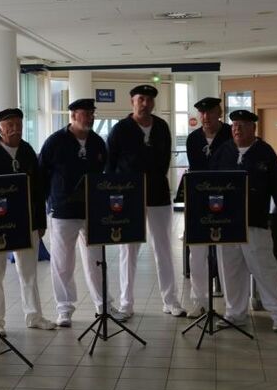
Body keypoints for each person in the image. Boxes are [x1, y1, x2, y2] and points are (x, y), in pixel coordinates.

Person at [210, 109, 277, 332]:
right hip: (226, 223)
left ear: (253, 128)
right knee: (230, 270)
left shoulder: (265, 152)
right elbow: (209, 183)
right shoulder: (224, 151)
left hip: (255, 221)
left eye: (242, 125)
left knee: (264, 268)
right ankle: (234, 313)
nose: (237, 129)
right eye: (234, 125)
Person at [39, 98, 120, 327]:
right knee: (63, 262)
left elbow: (104, 174)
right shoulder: (55, 142)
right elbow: (42, 175)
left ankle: (104, 304)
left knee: (97, 260)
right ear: (73, 115)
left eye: (92, 113)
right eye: (86, 113)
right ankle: (64, 309)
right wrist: (47, 205)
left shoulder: (97, 143)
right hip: (63, 210)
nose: (91, 117)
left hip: (92, 210)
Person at [107, 84, 185, 318]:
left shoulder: (161, 127)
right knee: (128, 250)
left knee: (163, 248)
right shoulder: (120, 129)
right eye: (141, 99)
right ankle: (126, 303)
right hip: (128, 196)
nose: (145, 103)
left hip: (158, 194)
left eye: (149, 99)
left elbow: (164, 160)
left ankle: (170, 300)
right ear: (132, 101)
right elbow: (110, 164)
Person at [0, 108, 55, 333]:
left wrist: (40, 222)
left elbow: (39, 188)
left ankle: (34, 316)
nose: (15, 129)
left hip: (26, 220)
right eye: (10, 125)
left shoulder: (27, 150)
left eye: (19, 124)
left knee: (29, 271)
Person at [184, 97, 232, 317]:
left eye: (210, 112)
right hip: (200, 201)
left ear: (219, 113)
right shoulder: (193, 139)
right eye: (202, 113)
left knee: (227, 254)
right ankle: (199, 301)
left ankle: (232, 306)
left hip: (227, 201)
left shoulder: (230, 134)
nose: (206, 117)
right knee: (197, 253)